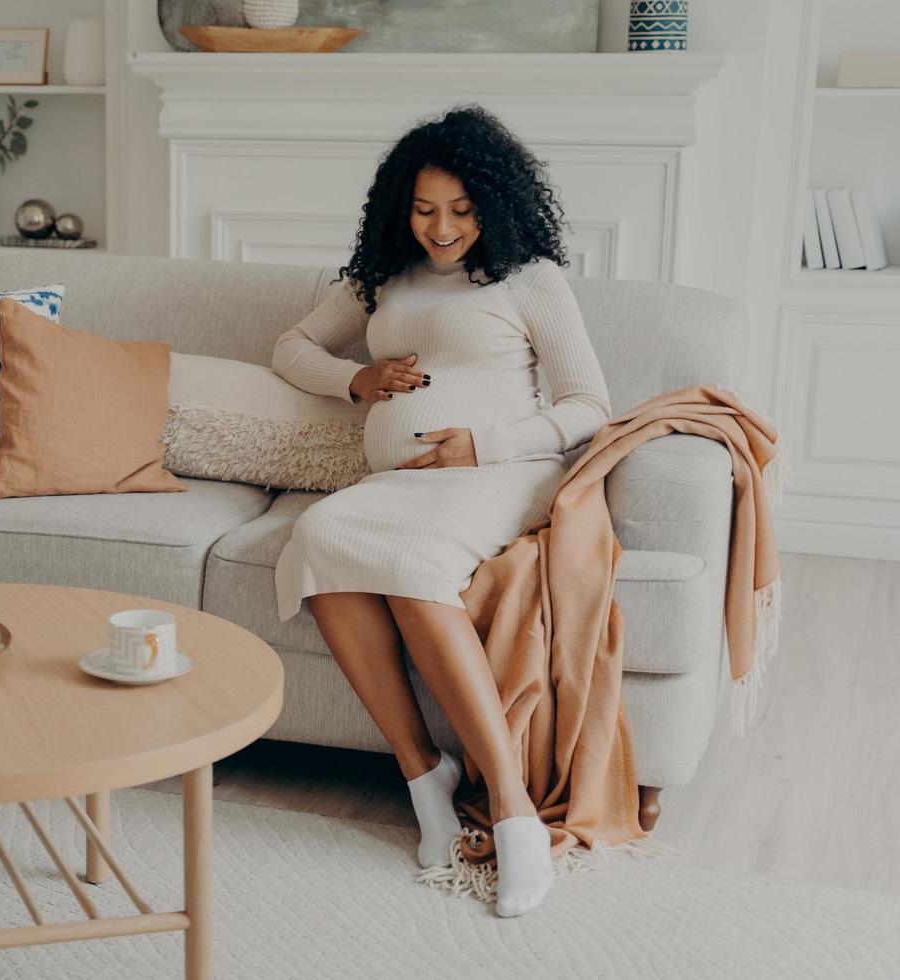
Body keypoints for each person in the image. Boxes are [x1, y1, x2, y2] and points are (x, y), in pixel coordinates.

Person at [271, 104, 612, 917]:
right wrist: (357, 380)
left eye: (460, 210)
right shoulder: (382, 278)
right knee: (320, 534)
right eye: (424, 209)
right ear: (401, 206)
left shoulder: (532, 281)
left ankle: (511, 808)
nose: (441, 228)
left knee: (414, 564)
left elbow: (590, 404)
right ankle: (425, 777)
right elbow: (292, 349)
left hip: (503, 471)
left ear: (493, 204)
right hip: (400, 485)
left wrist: (482, 444)